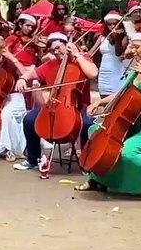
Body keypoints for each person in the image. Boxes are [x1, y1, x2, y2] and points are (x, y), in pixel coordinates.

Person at [80, 35, 141, 202]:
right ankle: (99, 178)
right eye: (132, 46)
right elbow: (121, 95)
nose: (132, 50)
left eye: (136, 47)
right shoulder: (133, 72)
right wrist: (100, 102)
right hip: (134, 124)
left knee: (127, 151)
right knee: (95, 131)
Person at [15, 34, 98, 175]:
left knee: (87, 124)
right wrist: (22, 78)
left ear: (67, 45)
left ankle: (86, 162)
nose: (56, 52)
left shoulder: (82, 60)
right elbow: (33, 72)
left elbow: (93, 73)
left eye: (59, 48)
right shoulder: (51, 65)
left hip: (78, 104)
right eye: (53, 50)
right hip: (55, 104)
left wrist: (77, 55)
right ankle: (32, 159)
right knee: (29, 120)